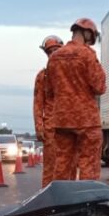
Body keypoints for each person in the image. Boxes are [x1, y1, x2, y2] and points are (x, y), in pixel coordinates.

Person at [46, 18, 107, 181]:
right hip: (86, 120)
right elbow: (99, 87)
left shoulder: (54, 58)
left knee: (62, 164)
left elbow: (49, 90)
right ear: (87, 33)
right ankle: (86, 200)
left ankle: (62, 202)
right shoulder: (87, 55)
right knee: (89, 164)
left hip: (62, 119)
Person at [33, 35, 64, 187]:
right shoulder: (42, 76)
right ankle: (47, 202)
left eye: (56, 50)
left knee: (68, 168)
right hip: (51, 130)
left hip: (70, 129)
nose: (53, 54)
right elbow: (38, 103)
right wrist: (40, 127)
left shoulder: (70, 74)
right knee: (50, 170)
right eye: (50, 51)